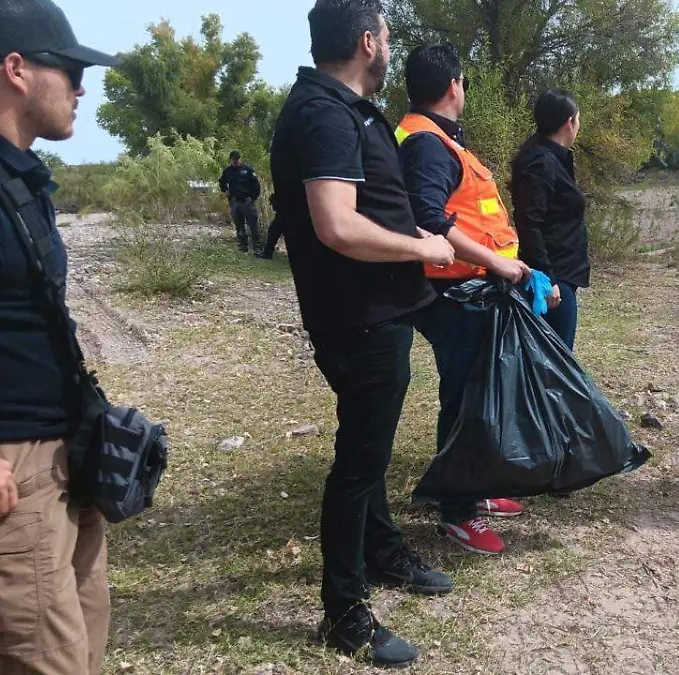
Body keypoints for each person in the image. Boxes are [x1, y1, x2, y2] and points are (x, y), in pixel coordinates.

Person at [268, 0, 458, 667]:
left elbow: (364, 209)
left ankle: (382, 551)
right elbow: (336, 224)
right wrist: (423, 248)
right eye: (386, 34)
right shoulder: (323, 113)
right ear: (367, 42)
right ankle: (344, 611)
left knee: (369, 453)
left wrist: (418, 239)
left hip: (377, 312)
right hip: (360, 318)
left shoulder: (343, 109)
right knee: (358, 465)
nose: (389, 46)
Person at [0, 1, 120, 672]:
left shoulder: (20, 175)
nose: (81, 88)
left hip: (66, 457)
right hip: (11, 473)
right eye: (70, 71)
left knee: (85, 642)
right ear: (16, 69)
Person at [396, 43, 533, 556]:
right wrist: (497, 261)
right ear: (455, 85)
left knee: (479, 396)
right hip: (453, 292)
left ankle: (472, 488)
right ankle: (457, 512)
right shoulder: (427, 143)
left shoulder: (438, 139)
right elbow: (428, 218)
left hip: (468, 288)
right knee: (466, 400)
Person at [511, 88, 587, 349]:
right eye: (578, 119)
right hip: (553, 280)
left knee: (555, 358)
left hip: (562, 275)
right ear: (569, 123)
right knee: (555, 361)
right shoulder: (541, 163)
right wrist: (548, 278)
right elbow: (529, 223)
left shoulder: (553, 158)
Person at [219, 150, 264, 256]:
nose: (236, 162)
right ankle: (242, 247)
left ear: (240, 159)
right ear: (231, 160)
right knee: (239, 226)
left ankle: (257, 248)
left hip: (247, 201)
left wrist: (252, 198)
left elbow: (256, 185)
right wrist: (225, 191)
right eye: (234, 160)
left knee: (253, 225)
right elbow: (222, 182)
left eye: (237, 159)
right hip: (235, 201)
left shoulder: (247, 170)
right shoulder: (228, 171)